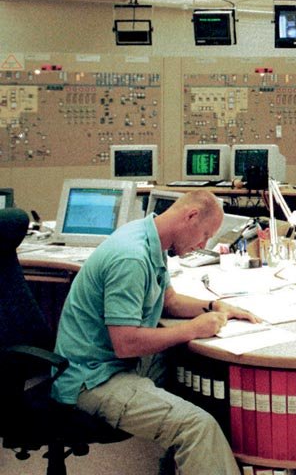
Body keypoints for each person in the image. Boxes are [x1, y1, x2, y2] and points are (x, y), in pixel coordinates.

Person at [51, 190, 259, 475]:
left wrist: (212, 305)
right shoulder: (132, 258)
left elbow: (169, 301)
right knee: (197, 427)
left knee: (200, 382)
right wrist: (192, 329)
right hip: (92, 378)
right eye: (206, 235)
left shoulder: (150, 238)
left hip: (111, 363)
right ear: (191, 216)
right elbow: (125, 343)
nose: (204, 244)